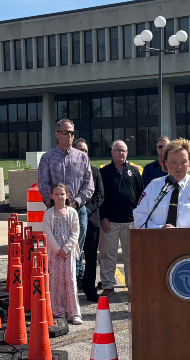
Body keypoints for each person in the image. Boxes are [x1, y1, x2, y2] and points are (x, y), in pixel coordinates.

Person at [37, 118, 94, 284]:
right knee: (57, 252)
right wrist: (57, 205)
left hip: (77, 211)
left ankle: (72, 287)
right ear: (56, 134)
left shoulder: (82, 158)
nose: (69, 136)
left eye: (71, 133)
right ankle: (57, 288)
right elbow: (44, 185)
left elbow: (88, 185)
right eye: (65, 132)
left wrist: (75, 202)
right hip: (55, 213)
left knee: (75, 250)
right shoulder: (47, 159)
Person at [132, 138, 190, 229]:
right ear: (165, 162)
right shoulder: (153, 186)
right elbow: (140, 219)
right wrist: (159, 229)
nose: (178, 167)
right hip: (158, 241)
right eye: (173, 162)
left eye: (183, 162)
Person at [98, 139, 143, 297]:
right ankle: (108, 285)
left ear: (127, 153)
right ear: (112, 153)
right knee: (107, 255)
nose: (121, 153)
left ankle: (131, 285)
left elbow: (140, 195)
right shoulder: (104, 172)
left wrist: (139, 217)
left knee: (130, 255)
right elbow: (100, 197)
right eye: (118, 150)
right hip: (109, 222)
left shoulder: (134, 170)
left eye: (123, 150)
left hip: (130, 221)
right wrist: (103, 217)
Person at [41, 183, 83, 325]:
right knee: (56, 280)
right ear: (51, 196)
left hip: (68, 251)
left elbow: (76, 232)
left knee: (70, 279)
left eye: (62, 194)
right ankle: (58, 311)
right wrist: (57, 249)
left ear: (67, 196)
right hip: (54, 253)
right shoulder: (49, 213)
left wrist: (65, 249)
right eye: (57, 194)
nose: (60, 196)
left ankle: (74, 312)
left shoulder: (72, 213)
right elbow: (47, 233)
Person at [72, 138, 104, 301]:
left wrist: (88, 210)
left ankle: (90, 289)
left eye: (86, 150)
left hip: (92, 221)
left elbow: (100, 195)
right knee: (73, 256)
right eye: (80, 150)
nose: (84, 153)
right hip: (72, 221)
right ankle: (72, 290)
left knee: (91, 257)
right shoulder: (69, 171)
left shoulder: (95, 171)